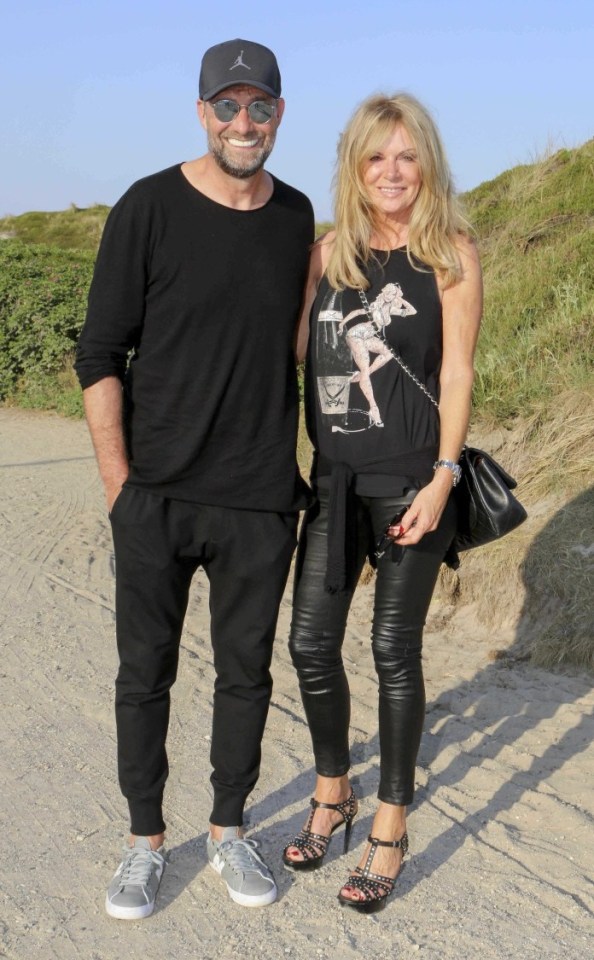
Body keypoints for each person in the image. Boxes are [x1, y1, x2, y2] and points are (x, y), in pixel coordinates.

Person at [75, 38, 314, 918]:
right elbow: (99, 351)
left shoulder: (296, 216)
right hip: (158, 495)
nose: (242, 122)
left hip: (257, 496)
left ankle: (227, 830)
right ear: (202, 111)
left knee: (246, 674)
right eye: (227, 105)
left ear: (280, 115)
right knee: (146, 673)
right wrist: (120, 488)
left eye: (259, 107)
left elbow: (297, 345)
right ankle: (144, 843)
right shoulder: (147, 207)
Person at [282, 93, 482, 912]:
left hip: (410, 480)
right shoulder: (328, 254)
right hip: (333, 478)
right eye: (376, 157)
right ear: (354, 167)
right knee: (307, 644)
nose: (393, 172)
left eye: (407, 156)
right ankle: (335, 791)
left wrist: (444, 478)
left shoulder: (452, 255)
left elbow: (459, 374)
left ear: (426, 161)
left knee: (394, 650)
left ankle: (390, 827)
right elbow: (294, 350)